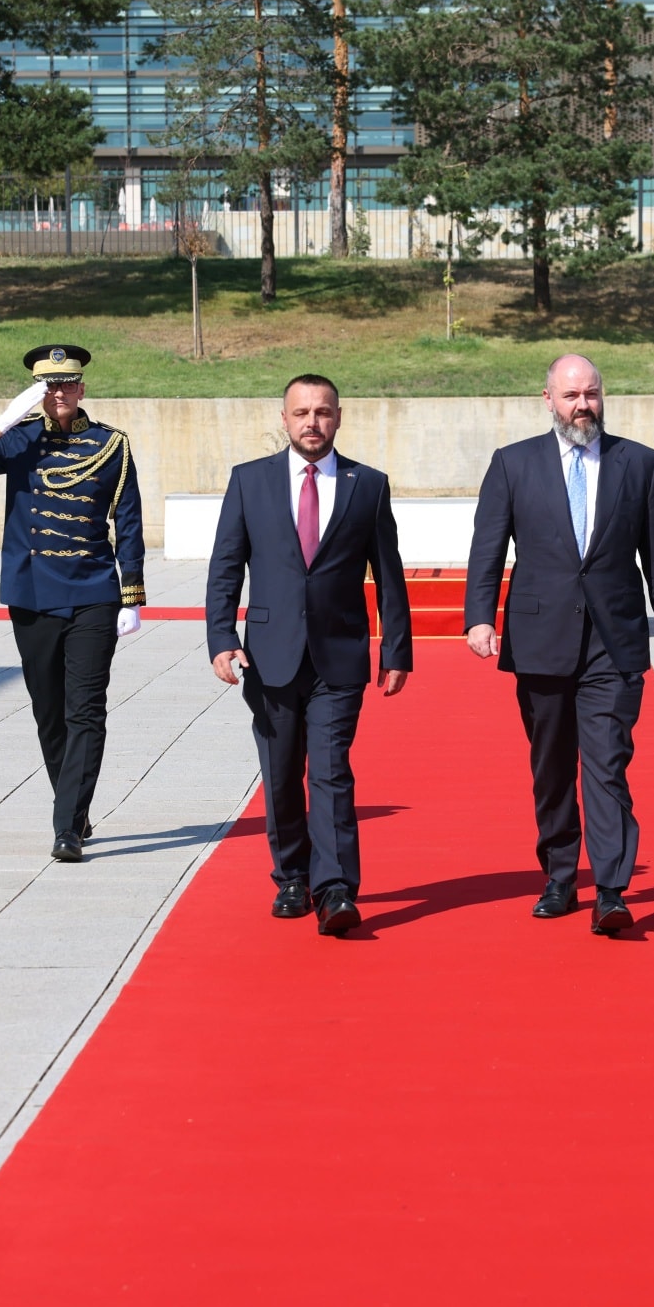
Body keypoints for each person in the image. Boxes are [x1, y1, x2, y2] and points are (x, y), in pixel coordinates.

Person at [465, 354, 654, 935]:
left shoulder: (639, 464)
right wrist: (479, 618)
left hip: (613, 643)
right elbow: (488, 548)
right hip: (539, 640)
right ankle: (560, 876)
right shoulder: (513, 463)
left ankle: (611, 890)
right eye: (571, 396)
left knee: (608, 764)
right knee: (551, 766)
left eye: (591, 394)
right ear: (548, 399)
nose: (582, 405)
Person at [205, 374, 413, 937]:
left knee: (331, 771)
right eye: (301, 413)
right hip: (268, 657)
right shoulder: (249, 481)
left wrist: (396, 649)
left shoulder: (368, 486)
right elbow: (226, 565)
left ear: (338, 417)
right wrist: (221, 637)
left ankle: (337, 888)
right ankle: (292, 878)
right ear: (285, 419)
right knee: (280, 776)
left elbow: (389, 574)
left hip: (338, 656)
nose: (312, 422)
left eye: (323, 412)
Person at [0, 344, 146, 863]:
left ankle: (67, 827)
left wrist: (132, 595)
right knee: (49, 714)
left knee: (86, 710)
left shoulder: (111, 444)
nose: (60, 393)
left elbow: (128, 523)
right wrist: (0, 424)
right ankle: (74, 805)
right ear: (38, 392)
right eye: (49, 386)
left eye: (67, 384)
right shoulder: (19, 439)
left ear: (82, 388)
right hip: (32, 594)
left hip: (92, 593)